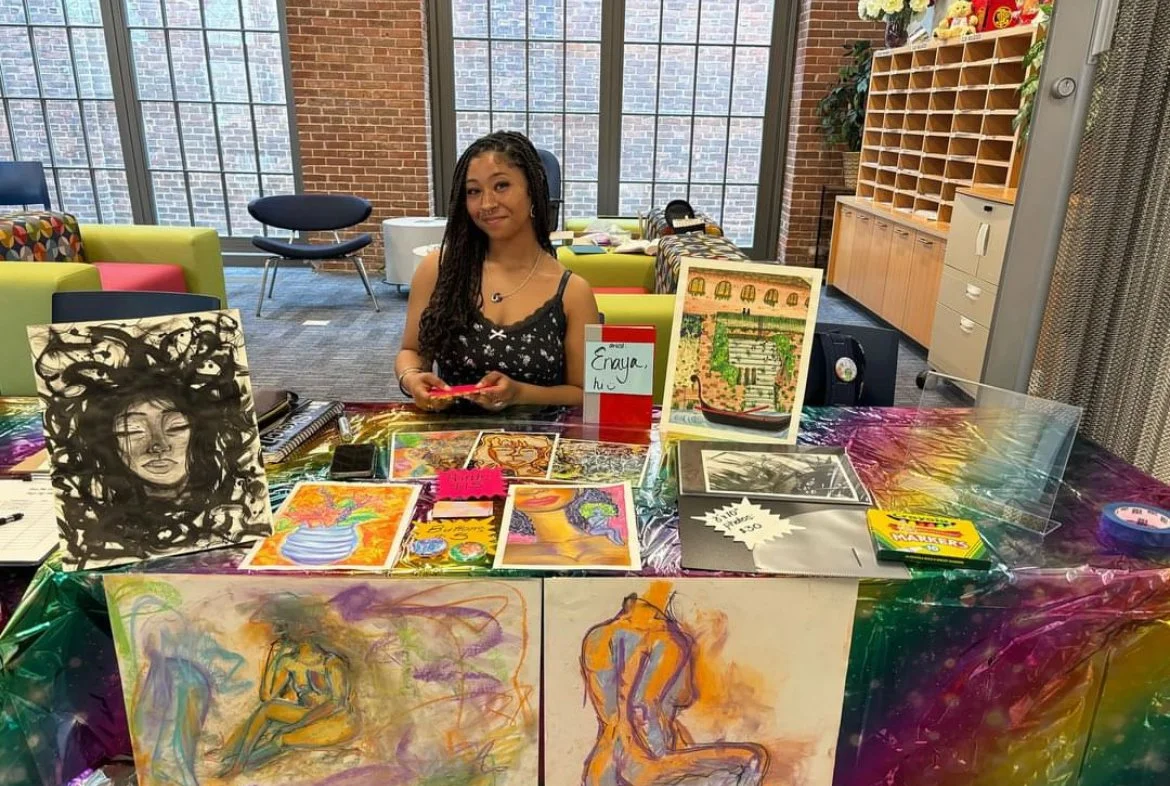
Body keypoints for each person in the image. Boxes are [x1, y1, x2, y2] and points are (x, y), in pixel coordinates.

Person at [395, 131, 599, 412]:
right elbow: (412, 351)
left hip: (539, 444)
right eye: (474, 191)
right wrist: (412, 378)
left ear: (533, 191)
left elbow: (584, 393)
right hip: (451, 443)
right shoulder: (439, 270)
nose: (487, 204)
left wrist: (519, 393)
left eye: (501, 186)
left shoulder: (573, 292)